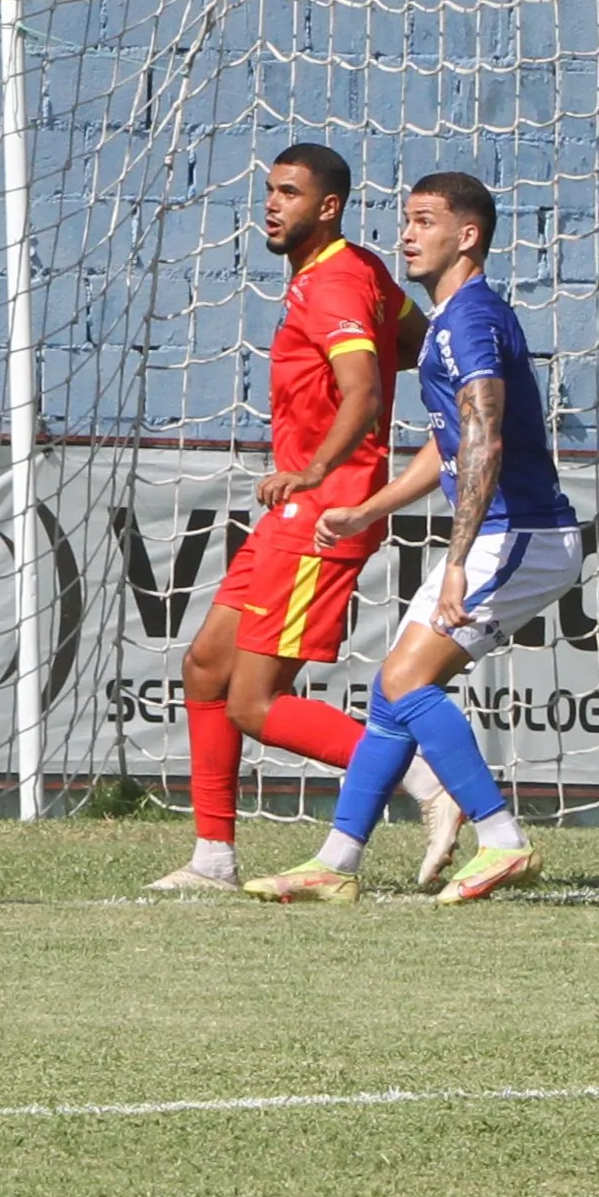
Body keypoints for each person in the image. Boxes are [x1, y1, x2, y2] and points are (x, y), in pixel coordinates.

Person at [246, 170, 581, 906]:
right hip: (499, 532)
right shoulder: (454, 320)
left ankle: (500, 838)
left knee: (405, 681)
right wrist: (372, 509)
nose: (407, 233)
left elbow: (486, 436)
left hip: (519, 532)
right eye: (406, 219)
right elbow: (451, 444)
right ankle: (336, 862)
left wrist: (457, 565)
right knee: (391, 691)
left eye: (425, 221)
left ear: (468, 236)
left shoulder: (468, 322)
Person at [143, 145, 413, 896]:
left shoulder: (333, 286)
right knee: (205, 665)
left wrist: (318, 467)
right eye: (270, 191)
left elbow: (360, 387)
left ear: (327, 207)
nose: (272, 204)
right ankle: (213, 859)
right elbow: (414, 342)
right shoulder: (353, 273)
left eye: (289, 193)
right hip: (299, 509)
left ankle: (429, 782)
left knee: (255, 702)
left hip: (324, 512)